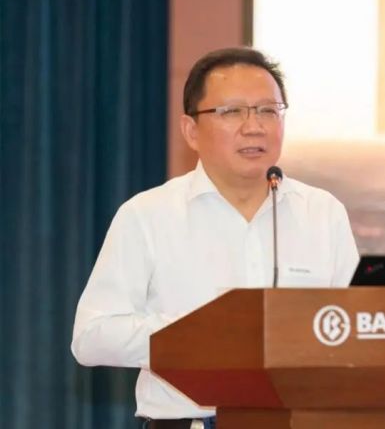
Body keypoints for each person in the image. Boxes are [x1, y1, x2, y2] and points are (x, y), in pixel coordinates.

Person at [71, 47, 360, 428]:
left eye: (268, 110)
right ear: (191, 130)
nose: (254, 127)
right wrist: (201, 332)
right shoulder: (147, 215)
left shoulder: (322, 213)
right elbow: (92, 337)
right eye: (232, 111)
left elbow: (355, 332)